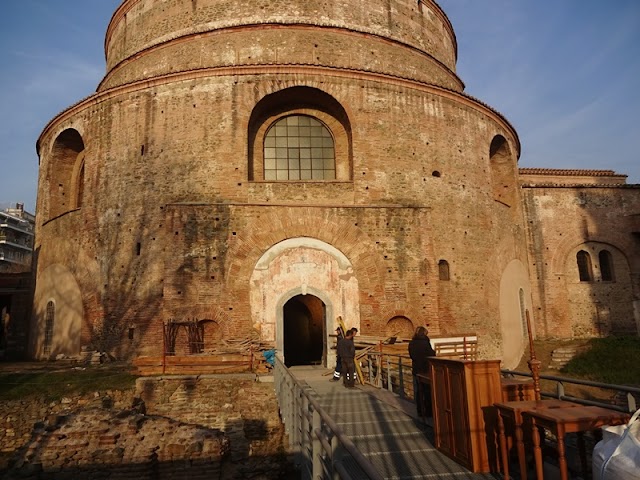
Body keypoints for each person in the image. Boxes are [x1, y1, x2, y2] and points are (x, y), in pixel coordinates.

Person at [408, 326, 436, 417]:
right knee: (427, 391)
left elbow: (412, 356)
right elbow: (431, 354)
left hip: (416, 369)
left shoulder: (411, 343)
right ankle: (428, 411)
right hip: (425, 369)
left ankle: (420, 410)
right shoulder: (425, 343)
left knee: (418, 391)